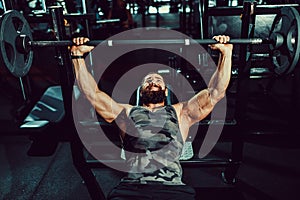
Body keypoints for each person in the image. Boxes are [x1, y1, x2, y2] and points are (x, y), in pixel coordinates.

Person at [70, 35, 233, 199]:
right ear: (141, 91)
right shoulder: (126, 113)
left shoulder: (181, 112)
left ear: (166, 90)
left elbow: (215, 92)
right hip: (131, 189)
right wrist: (77, 56)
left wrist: (226, 53)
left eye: (158, 80)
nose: (153, 81)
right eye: (148, 80)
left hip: (173, 190)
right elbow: (92, 94)